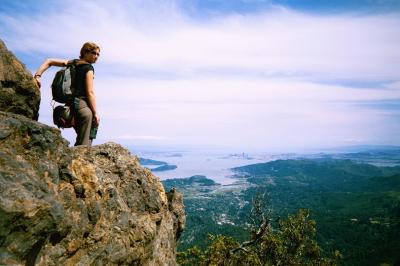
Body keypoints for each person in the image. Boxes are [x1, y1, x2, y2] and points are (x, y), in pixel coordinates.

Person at [34, 42, 100, 146]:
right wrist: (95, 113)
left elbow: (49, 61)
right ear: (85, 52)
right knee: (85, 144)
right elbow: (90, 92)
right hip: (83, 107)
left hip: (70, 106)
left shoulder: (73, 63)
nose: (96, 57)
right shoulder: (89, 68)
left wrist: (38, 75)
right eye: (93, 53)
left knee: (80, 140)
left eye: (98, 54)